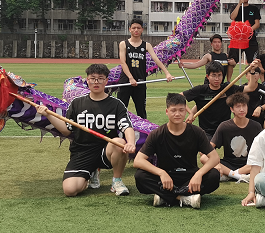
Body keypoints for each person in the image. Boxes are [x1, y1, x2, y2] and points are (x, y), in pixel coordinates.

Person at [36, 63, 135, 197]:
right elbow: (66, 130)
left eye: (100, 78)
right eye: (92, 78)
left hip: (105, 151)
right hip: (82, 152)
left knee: (119, 142)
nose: (96, 82)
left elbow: (127, 126)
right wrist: (48, 115)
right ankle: (90, 173)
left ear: (106, 81)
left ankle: (116, 181)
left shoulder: (116, 104)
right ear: (87, 80)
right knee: (70, 190)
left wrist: (131, 142)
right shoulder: (77, 103)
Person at [133, 93, 221, 208]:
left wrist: (198, 174)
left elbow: (214, 158)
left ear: (186, 112)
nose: (177, 114)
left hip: (189, 177)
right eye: (173, 110)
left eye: (181, 110)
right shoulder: (157, 134)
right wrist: (161, 173)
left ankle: (165, 196)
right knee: (140, 176)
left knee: (214, 175)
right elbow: (138, 161)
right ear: (167, 111)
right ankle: (184, 197)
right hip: (166, 179)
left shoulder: (197, 132)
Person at [182, 61, 258, 140]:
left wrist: (252, 71)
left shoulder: (227, 88)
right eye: (214, 75)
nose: (217, 79)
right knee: (208, 148)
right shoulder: (201, 90)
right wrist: (190, 113)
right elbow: (179, 96)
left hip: (225, 129)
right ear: (207, 76)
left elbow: (251, 88)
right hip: (207, 131)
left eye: (219, 75)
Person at [117, 18, 174, 119]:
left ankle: (144, 129)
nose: (136, 30)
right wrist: (130, 78)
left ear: (142, 29)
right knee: (120, 109)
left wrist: (167, 73)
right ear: (130, 29)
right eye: (134, 28)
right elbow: (123, 62)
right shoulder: (123, 44)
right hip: (126, 81)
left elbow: (156, 59)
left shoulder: (146, 45)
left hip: (140, 81)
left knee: (141, 111)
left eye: (138, 28)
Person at [202, 92, 263, 183]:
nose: (242, 109)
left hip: (248, 164)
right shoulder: (225, 126)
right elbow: (207, 150)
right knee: (204, 158)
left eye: (244, 106)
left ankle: (231, 175)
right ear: (232, 109)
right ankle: (238, 176)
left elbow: (263, 151)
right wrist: (216, 164)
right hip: (228, 164)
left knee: (263, 162)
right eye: (238, 106)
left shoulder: (256, 126)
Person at [228, 0, 261, 80]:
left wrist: (247, 31)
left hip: (250, 39)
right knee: (231, 61)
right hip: (237, 39)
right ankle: (228, 81)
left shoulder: (254, 9)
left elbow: (257, 24)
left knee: (253, 62)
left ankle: (253, 81)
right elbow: (232, 17)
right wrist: (239, 4)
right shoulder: (235, 7)